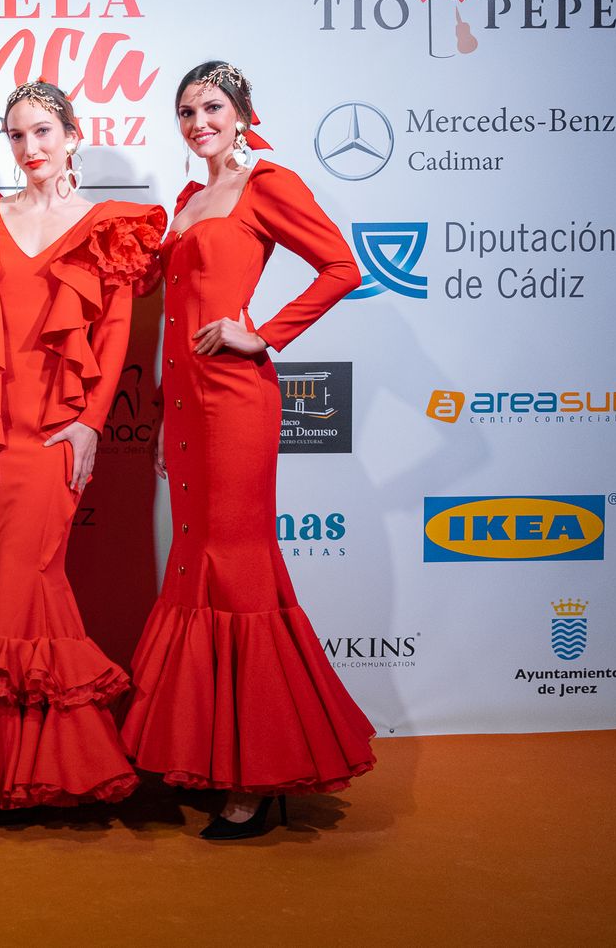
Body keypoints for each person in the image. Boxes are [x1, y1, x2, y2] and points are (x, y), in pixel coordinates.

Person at [0, 82, 166, 813]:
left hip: (55, 432)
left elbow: (113, 335)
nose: (30, 146)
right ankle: (18, 761)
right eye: (16, 134)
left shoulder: (108, 227)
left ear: (73, 135)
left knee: (27, 573)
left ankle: (21, 760)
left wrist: (91, 424)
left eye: (43, 131)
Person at [119, 61, 377, 840]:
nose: (199, 122)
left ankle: (257, 775)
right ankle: (213, 750)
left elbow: (342, 266)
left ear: (241, 114)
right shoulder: (188, 200)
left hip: (236, 401)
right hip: (186, 408)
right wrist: (162, 418)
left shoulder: (269, 183)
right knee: (196, 568)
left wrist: (263, 333)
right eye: (187, 110)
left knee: (237, 570)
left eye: (212, 107)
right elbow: (171, 317)